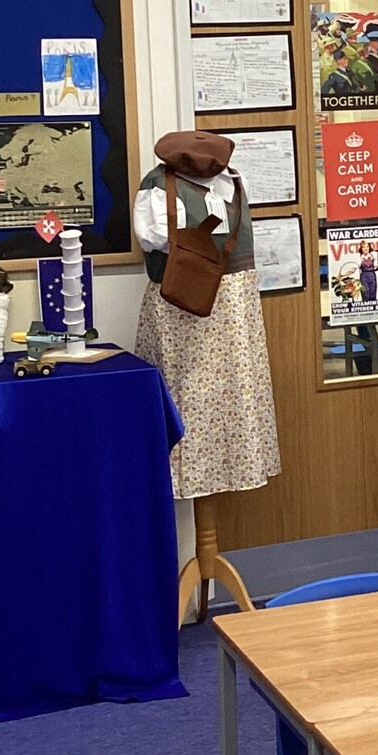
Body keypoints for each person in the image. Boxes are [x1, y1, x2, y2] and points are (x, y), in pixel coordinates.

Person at [132, 130, 279, 621]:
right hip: (189, 314)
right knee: (187, 409)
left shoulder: (224, 183)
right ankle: (196, 558)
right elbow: (154, 239)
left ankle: (210, 552)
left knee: (224, 404)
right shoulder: (164, 188)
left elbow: (160, 239)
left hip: (222, 311)